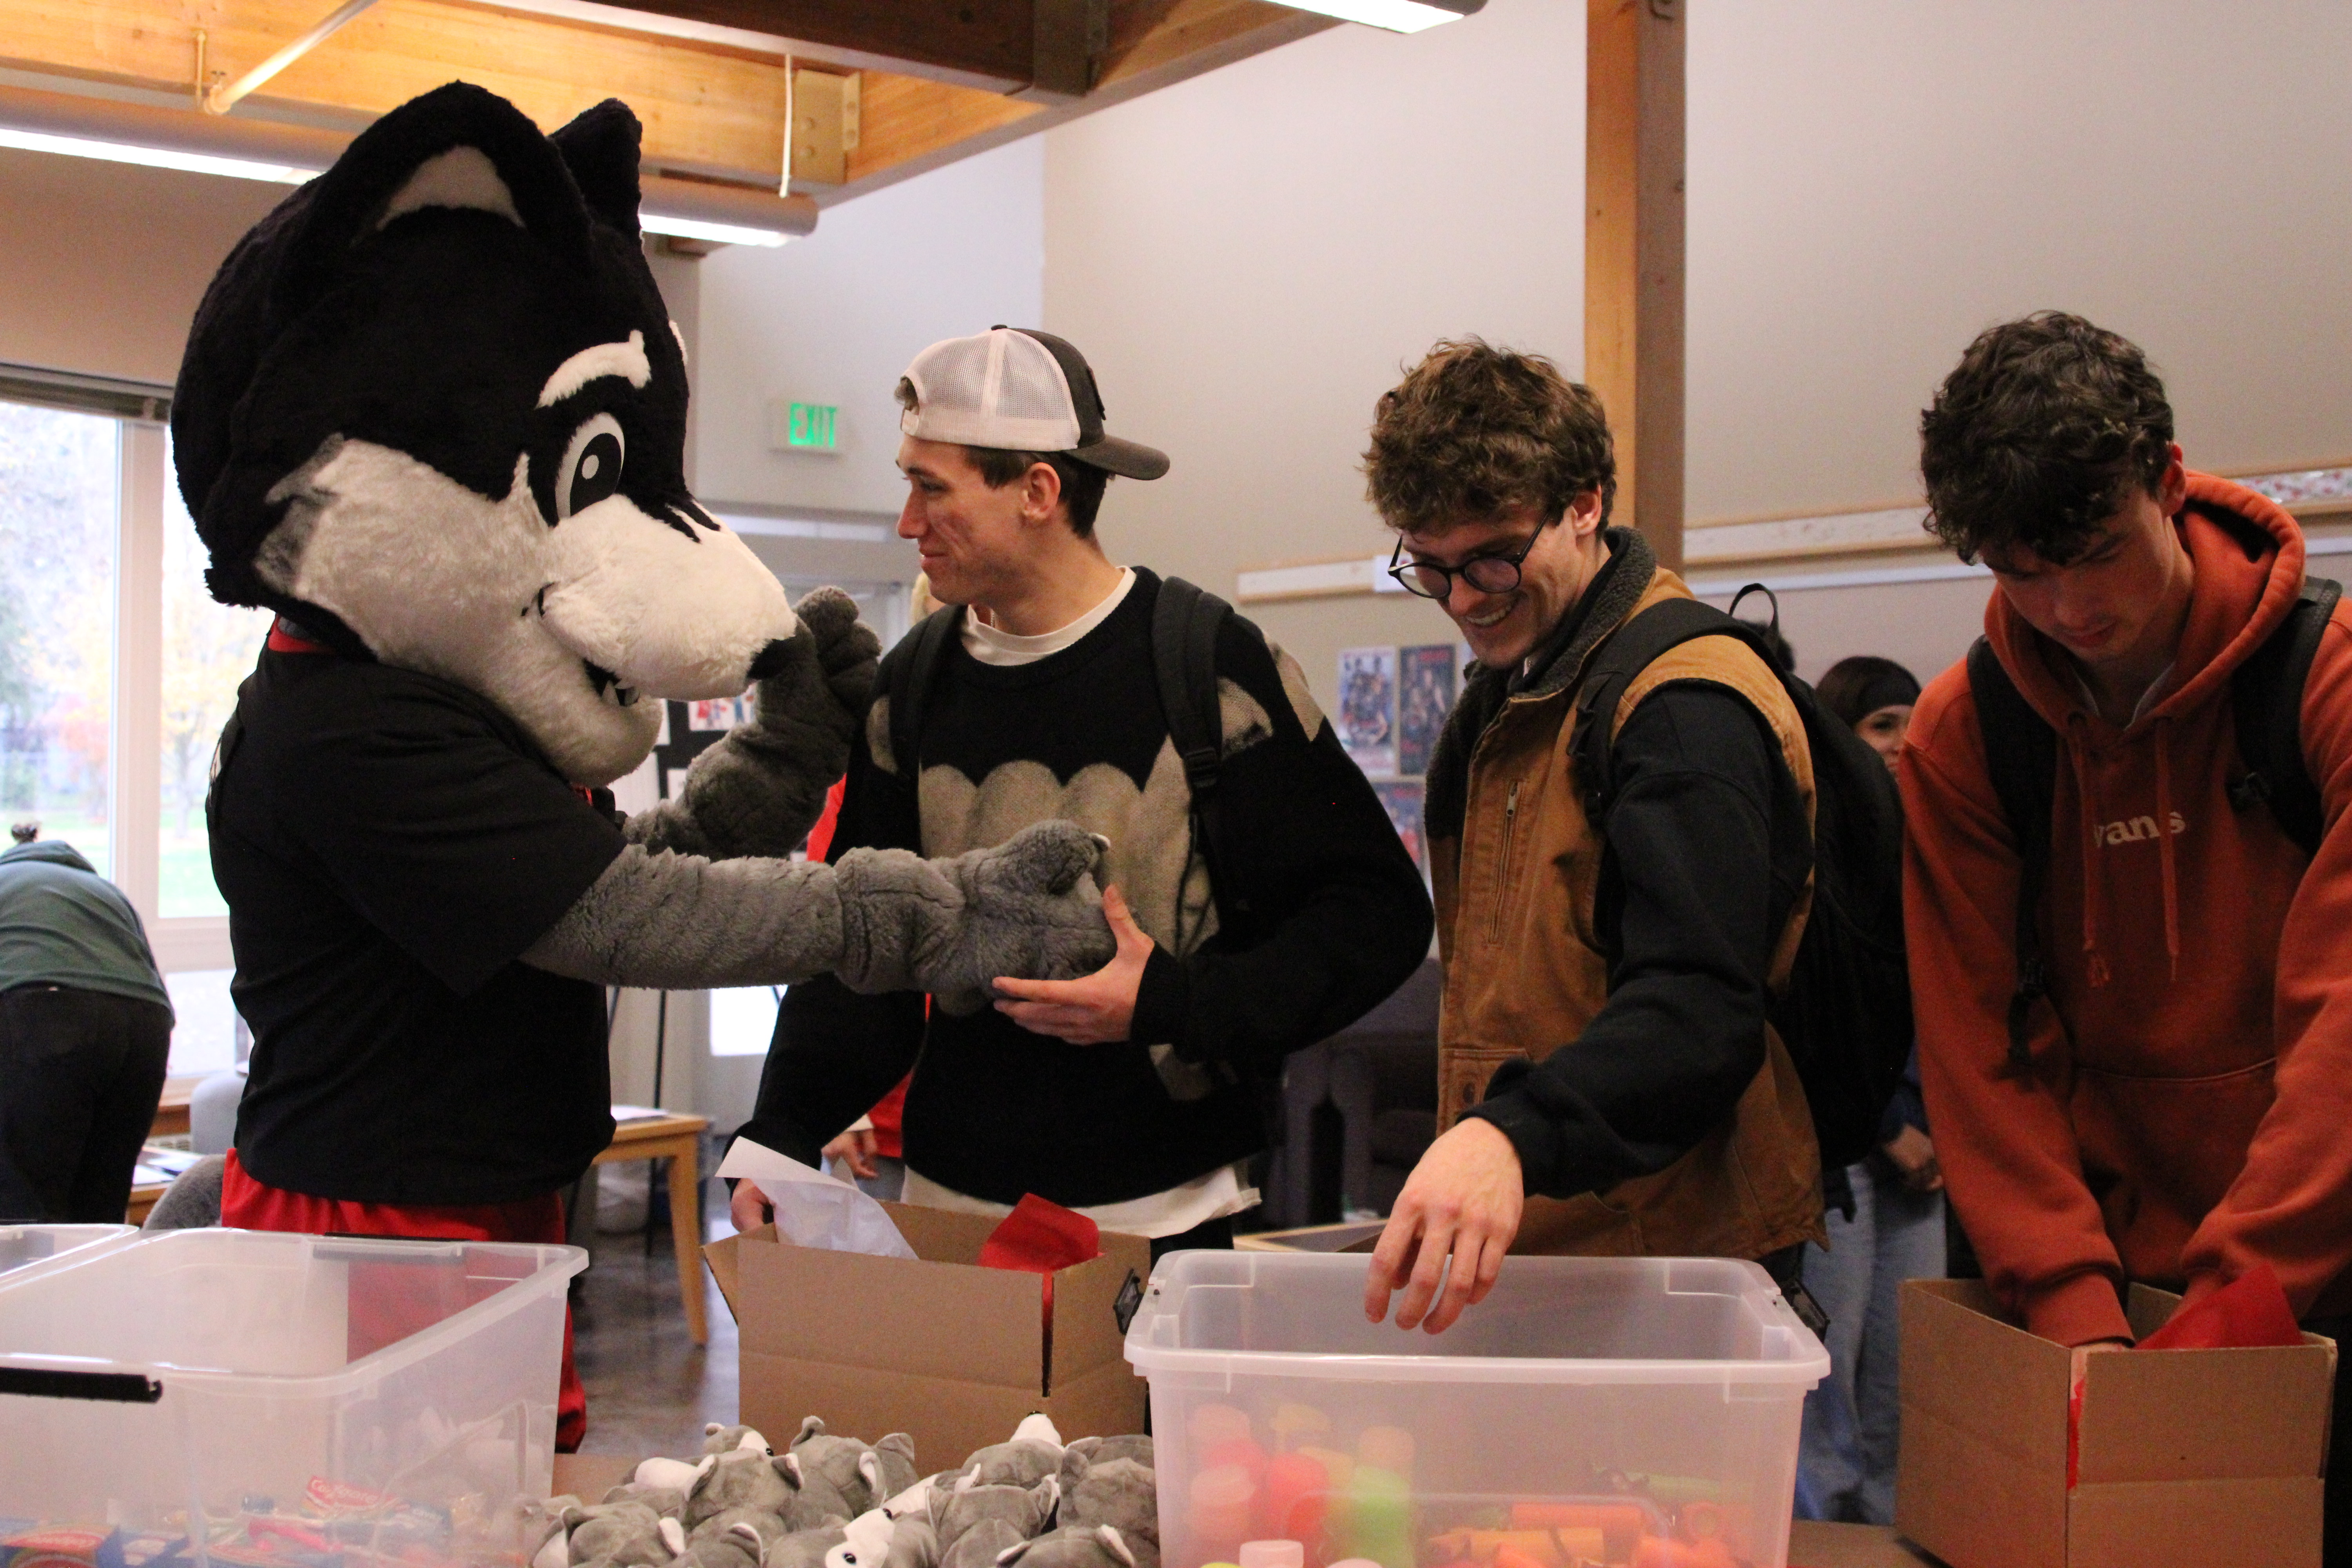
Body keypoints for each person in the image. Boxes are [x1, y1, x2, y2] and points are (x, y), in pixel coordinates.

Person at [731, 327, 1433, 1257]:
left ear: (1038, 491)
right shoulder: (912, 686)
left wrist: (1172, 1002)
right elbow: (864, 947)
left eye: (932, 487)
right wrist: (778, 1132)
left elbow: (1374, 916)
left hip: (1167, 1221)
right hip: (952, 1219)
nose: (907, 522)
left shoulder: (1211, 666)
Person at [1900, 311, 2352, 1560]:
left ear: (2164, 480)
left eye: (2092, 554)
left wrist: (2229, 1313)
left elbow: (2341, 1035)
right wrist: (2073, 1315)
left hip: (2311, 1277)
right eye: (2015, 573)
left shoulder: (2323, 679)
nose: (2063, 606)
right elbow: (1979, 1053)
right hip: (2092, 1290)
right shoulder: (1965, 737)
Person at [1359, 339, 1823, 1334]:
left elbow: (1698, 1011)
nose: (1465, 599)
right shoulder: (1517, 691)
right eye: (1430, 567)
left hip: (1664, 1263)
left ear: (1585, 504)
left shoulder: (1683, 708)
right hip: (1547, 1239)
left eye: (1492, 557)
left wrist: (1510, 1137)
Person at [1794, 655, 1942, 1526]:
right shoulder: (1816, 845)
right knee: (1826, 1382)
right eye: (1884, 725)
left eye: (1914, 724)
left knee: (1901, 1380)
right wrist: (1888, 1124)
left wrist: (1945, 1129)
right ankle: (1826, 1541)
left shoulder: (1940, 840)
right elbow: (1811, 1008)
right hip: (1842, 1153)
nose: (1902, 743)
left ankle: (1889, 1536)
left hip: (1930, 1156)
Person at [0, 824, 175, 1222]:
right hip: (145, 1027)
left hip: (44, 1010)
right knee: (100, 1215)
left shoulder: (5, 881)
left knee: (20, 1211)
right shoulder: (107, 893)